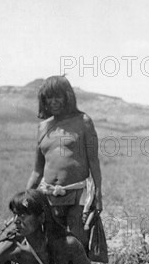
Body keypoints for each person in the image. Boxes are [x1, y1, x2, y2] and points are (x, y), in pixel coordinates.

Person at [26, 75, 103, 250]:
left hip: (77, 194)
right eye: (49, 97)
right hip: (48, 196)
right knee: (53, 246)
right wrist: (25, 197)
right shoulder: (43, 127)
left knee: (77, 244)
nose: (53, 101)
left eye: (58, 96)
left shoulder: (83, 122)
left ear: (67, 96)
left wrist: (98, 195)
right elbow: (37, 171)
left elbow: (93, 161)